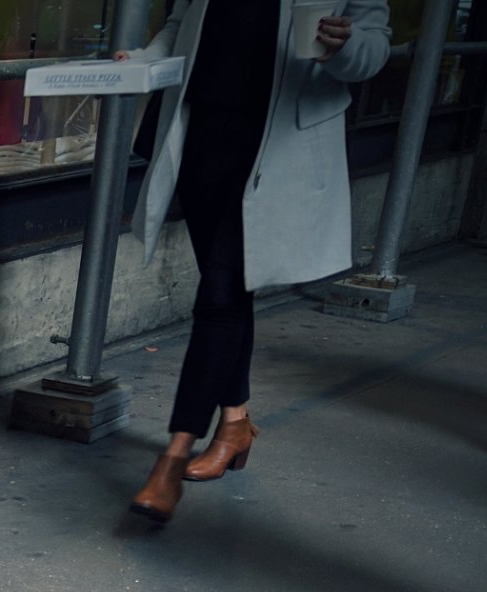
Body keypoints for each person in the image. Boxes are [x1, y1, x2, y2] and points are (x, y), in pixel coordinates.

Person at [120, 1, 390, 526]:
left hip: (276, 147)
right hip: (201, 136)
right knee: (228, 289)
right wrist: (142, 61)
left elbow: (374, 48)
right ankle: (235, 424)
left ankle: (172, 456)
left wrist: (345, 46)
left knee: (219, 296)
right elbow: (180, 24)